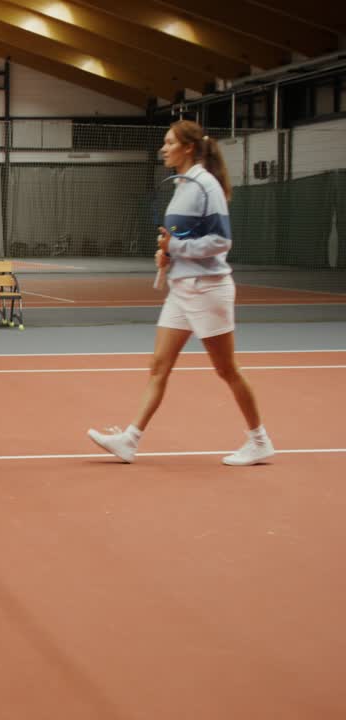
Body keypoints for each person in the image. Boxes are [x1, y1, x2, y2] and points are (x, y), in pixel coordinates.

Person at [87, 119, 274, 466]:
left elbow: (221, 241)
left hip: (208, 290)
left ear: (188, 148)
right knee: (159, 366)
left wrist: (178, 247)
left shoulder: (207, 186)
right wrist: (168, 253)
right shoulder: (182, 185)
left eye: (170, 143)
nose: (164, 148)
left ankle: (259, 440)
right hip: (181, 290)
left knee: (227, 370)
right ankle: (130, 440)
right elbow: (182, 242)